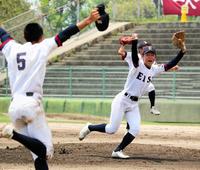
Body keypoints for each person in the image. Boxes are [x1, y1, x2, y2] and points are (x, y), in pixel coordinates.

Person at [0, 8, 100, 170]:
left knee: (38, 155)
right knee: (45, 151)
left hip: (14, 107)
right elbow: (65, 34)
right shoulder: (42, 46)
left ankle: (14, 133)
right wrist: (88, 20)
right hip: (31, 104)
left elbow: (3, 35)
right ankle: (13, 134)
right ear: (41, 36)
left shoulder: (12, 48)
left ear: (24, 36)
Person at [79, 33, 186, 159]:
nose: (150, 57)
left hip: (133, 104)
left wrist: (182, 52)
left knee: (135, 129)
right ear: (143, 56)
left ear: (155, 57)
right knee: (112, 129)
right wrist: (134, 42)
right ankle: (90, 127)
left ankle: (117, 150)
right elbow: (134, 58)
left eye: (152, 55)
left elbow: (169, 64)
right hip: (122, 100)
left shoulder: (154, 69)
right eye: (147, 55)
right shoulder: (138, 65)